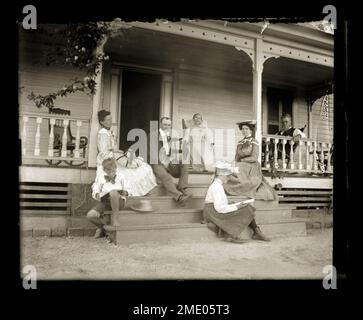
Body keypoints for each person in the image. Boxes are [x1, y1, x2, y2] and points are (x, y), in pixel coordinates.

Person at [203, 162, 270, 243]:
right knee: (247, 209)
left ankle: (256, 232)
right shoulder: (217, 187)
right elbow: (220, 208)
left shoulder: (218, 185)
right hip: (213, 213)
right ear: (221, 175)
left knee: (243, 206)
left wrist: (236, 205)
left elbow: (221, 205)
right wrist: (237, 207)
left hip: (213, 210)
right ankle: (233, 234)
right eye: (227, 176)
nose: (228, 179)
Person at [96, 109, 157, 196]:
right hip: (107, 160)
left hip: (114, 156)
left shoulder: (109, 132)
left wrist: (120, 152)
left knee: (143, 166)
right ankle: (135, 192)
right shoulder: (103, 133)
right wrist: (116, 154)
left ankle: (141, 191)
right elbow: (103, 151)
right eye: (108, 120)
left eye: (111, 119)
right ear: (102, 122)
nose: (111, 121)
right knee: (132, 171)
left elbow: (112, 148)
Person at [223, 120, 278, 201]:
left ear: (251, 130)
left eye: (246, 129)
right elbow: (237, 156)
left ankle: (241, 187)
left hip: (252, 165)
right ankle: (231, 189)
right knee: (230, 168)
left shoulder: (254, 142)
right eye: (243, 129)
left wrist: (242, 160)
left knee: (240, 168)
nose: (244, 131)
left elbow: (254, 157)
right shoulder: (240, 142)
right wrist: (234, 162)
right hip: (241, 164)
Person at [150, 117, 192, 206]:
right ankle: (179, 197)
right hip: (157, 163)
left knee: (184, 163)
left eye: (169, 125)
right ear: (160, 125)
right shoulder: (153, 135)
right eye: (165, 124)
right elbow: (151, 153)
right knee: (166, 177)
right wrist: (163, 162)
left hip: (169, 162)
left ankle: (182, 187)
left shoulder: (171, 135)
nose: (167, 127)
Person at [87, 158, 128, 238]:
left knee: (113, 193)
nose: (112, 173)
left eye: (113, 170)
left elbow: (128, 189)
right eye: (109, 171)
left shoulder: (121, 177)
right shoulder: (101, 177)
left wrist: (124, 192)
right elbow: (95, 188)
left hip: (119, 202)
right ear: (104, 170)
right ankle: (102, 227)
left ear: (116, 168)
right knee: (90, 215)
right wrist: (97, 194)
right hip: (106, 202)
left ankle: (115, 219)